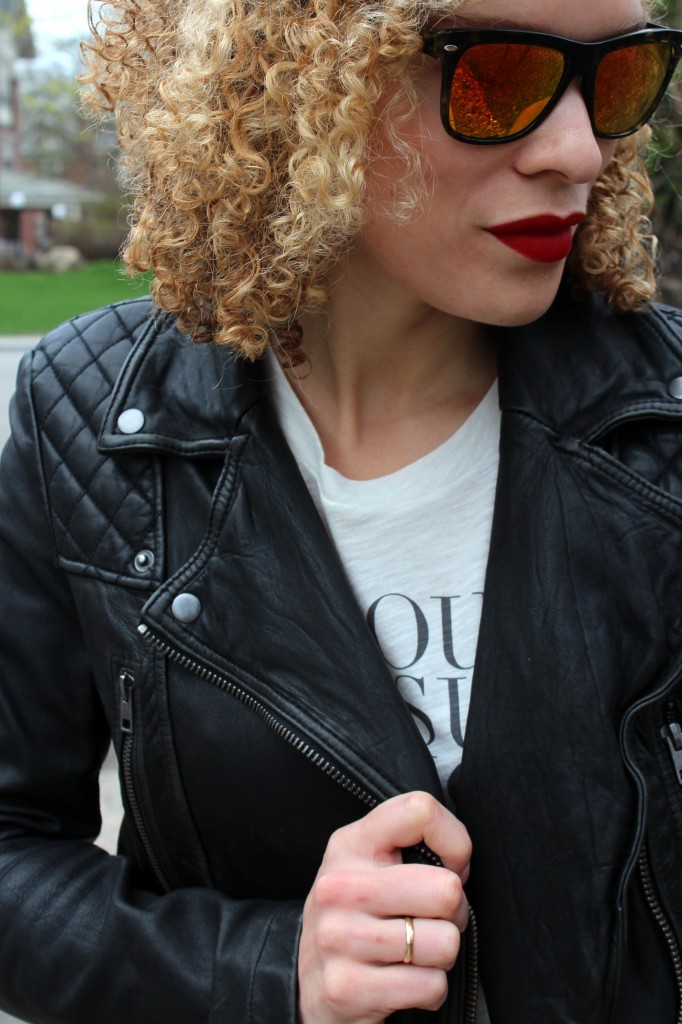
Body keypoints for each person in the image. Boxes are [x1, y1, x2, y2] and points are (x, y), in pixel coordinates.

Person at [1, 0, 681, 1020]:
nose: (579, 151)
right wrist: (267, 972)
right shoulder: (92, 421)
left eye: (619, 77)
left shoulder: (666, 422)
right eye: (495, 77)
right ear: (301, 75)